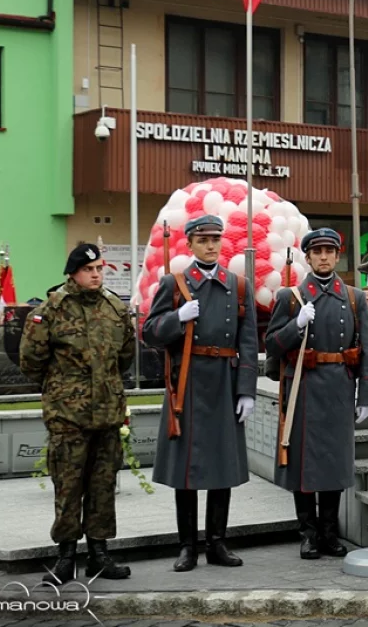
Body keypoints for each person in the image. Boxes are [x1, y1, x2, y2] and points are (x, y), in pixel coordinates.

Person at [143, 215, 258, 572]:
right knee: (187, 470)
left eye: (215, 239)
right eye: (203, 240)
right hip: (188, 384)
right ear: (189, 244)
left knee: (222, 465)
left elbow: (248, 341)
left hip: (224, 381)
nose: (211, 246)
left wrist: (247, 391)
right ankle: (187, 546)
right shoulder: (175, 284)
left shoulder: (237, 286)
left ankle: (217, 543)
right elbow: (149, 332)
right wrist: (178, 316)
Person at [18, 243, 135, 583]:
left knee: (102, 485)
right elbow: (30, 361)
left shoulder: (115, 308)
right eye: (89, 269)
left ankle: (99, 554)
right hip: (68, 415)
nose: (96, 274)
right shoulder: (52, 309)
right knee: (68, 486)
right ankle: (65, 556)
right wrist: (63, 388)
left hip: (108, 415)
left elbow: (125, 356)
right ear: (73, 273)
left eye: (100, 268)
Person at [264, 228, 368, 560]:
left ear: (338, 256)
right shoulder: (290, 298)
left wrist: (366, 394)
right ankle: (308, 533)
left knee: (334, 464)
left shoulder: (354, 299)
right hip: (304, 388)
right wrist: (296, 325)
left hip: (340, 388)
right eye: (318, 251)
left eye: (330, 250)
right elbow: (271, 345)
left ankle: (329, 532)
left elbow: (366, 349)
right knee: (303, 466)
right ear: (308, 257)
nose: (324, 256)